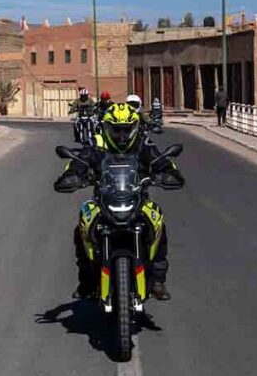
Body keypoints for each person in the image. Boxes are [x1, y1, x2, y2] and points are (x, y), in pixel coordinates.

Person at [55, 103, 184, 301]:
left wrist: (169, 173)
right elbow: (79, 160)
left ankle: (158, 279)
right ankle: (86, 280)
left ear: (135, 128)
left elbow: (161, 161)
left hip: (138, 200)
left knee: (158, 222)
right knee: (82, 225)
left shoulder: (142, 144)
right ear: (107, 128)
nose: (121, 136)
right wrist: (72, 175)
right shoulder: (97, 142)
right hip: (103, 200)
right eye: (116, 130)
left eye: (126, 130)